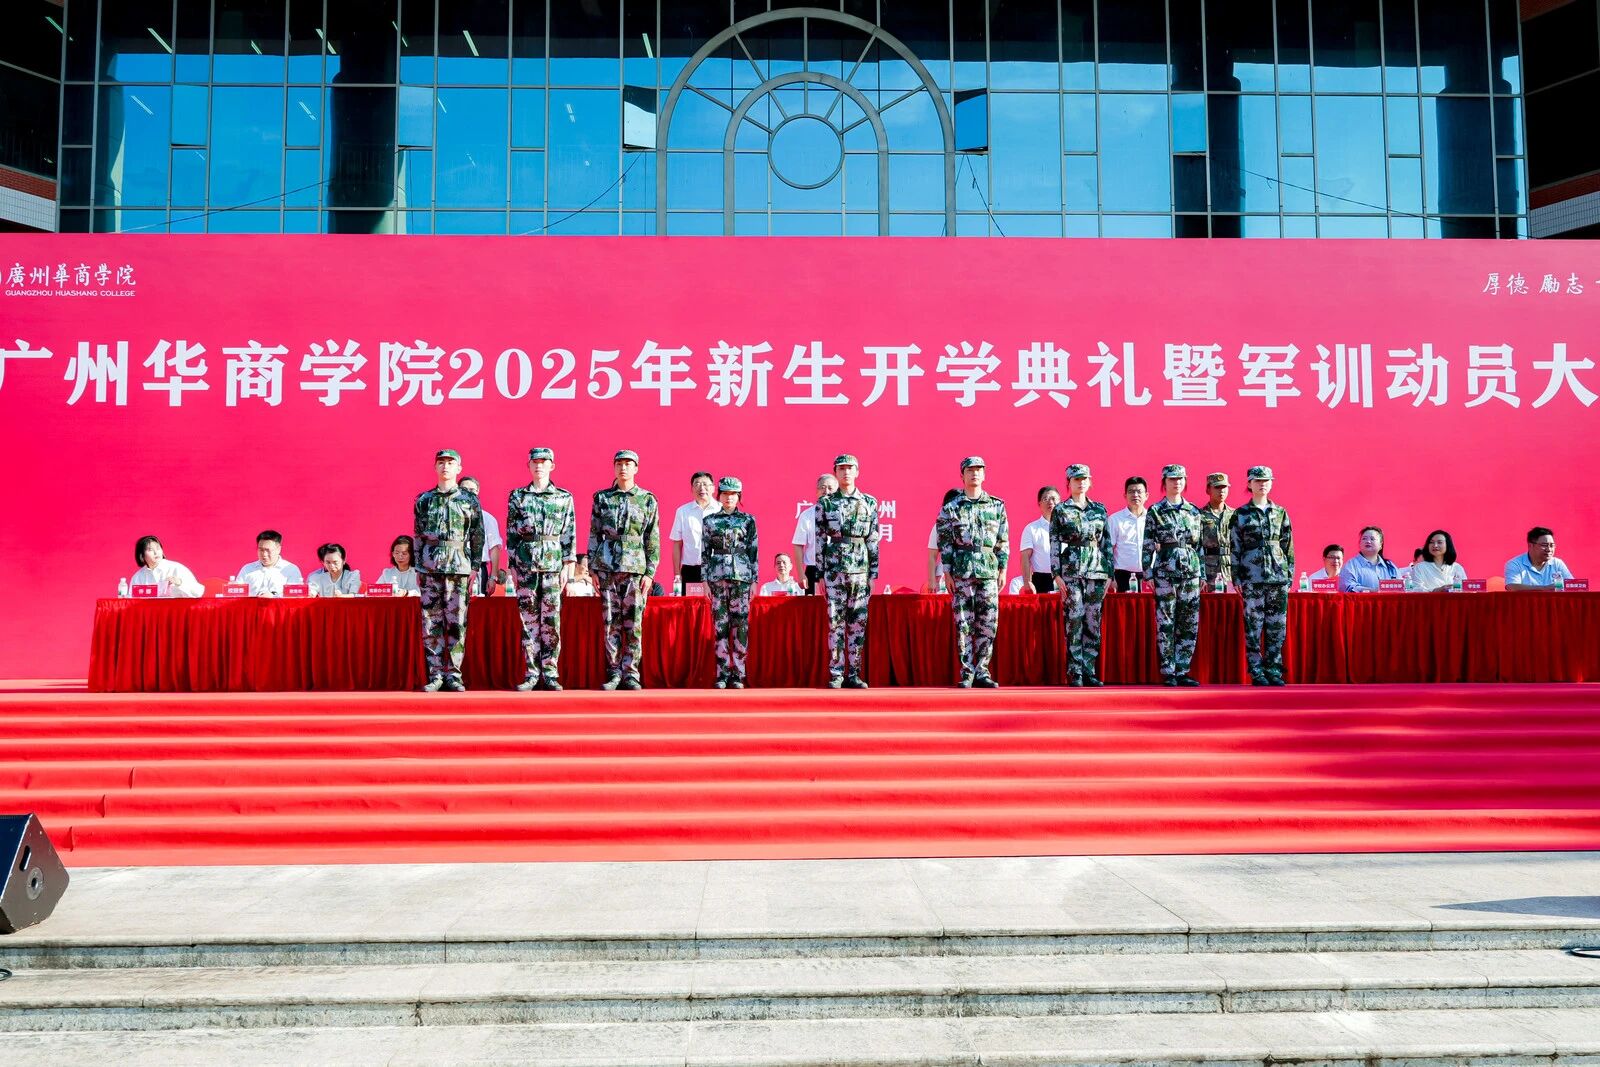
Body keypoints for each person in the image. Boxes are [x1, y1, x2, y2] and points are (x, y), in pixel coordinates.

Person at [506, 446, 577, 691]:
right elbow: (512, 534)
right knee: (528, 621)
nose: (539, 465)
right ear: (529, 465)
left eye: (544, 461)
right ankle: (531, 673)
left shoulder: (563, 497)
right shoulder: (518, 496)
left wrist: (568, 566)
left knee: (551, 620)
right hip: (525, 564)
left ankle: (550, 672)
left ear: (552, 466)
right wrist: (513, 566)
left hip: (553, 565)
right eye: (535, 462)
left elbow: (569, 534)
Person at [414, 448, 485, 692]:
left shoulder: (469, 499)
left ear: (459, 468)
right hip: (430, 567)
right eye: (441, 462)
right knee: (431, 623)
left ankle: (454, 674)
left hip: (459, 566)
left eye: (450, 463)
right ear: (435, 467)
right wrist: (418, 566)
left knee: (457, 622)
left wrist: (474, 566)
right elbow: (418, 535)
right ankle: (435, 675)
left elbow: (477, 535)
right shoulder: (424, 500)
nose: (445, 466)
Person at [588, 449, 660, 690]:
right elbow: (594, 534)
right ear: (614, 467)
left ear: (636, 468)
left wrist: (650, 572)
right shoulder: (602, 498)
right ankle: (614, 672)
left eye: (628, 464)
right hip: (606, 567)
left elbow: (652, 538)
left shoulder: (647, 499)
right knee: (611, 621)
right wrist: (592, 568)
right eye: (619, 463)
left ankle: (631, 673)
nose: (623, 468)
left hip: (635, 568)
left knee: (633, 623)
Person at [936, 457, 1009, 688]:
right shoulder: (951, 508)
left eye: (979, 470)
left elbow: (1002, 540)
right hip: (962, 570)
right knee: (964, 622)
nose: (974, 474)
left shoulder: (997, 505)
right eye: (970, 470)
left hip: (988, 570)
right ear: (962, 475)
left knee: (988, 623)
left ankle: (982, 672)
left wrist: (1003, 568)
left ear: (984, 475)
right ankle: (967, 672)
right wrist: (947, 572)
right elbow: (945, 543)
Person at [815, 453, 880, 688]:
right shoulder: (826, 503)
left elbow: (873, 540)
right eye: (841, 468)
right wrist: (820, 574)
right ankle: (836, 674)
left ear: (857, 472)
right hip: (834, 571)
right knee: (835, 623)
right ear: (835, 473)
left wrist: (873, 574)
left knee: (857, 623)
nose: (846, 472)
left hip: (860, 571)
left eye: (850, 468)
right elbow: (820, 540)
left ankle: (853, 673)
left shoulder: (869, 502)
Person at [1229, 466, 1294, 686]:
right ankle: (1257, 672)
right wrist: (1236, 577)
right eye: (1257, 481)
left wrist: (1289, 574)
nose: (1262, 484)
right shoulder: (1241, 514)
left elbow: (1288, 545)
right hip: (1252, 577)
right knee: (1253, 626)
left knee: (1277, 627)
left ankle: (1274, 670)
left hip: (1277, 577)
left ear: (1271, 483)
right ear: (1249, 484)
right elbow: (1234, 547)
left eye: (1266, 480)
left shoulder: (1280, 512)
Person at [1142, 465, 1204, 686]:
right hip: (1165, 573)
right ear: (1164, 482)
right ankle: (1169, 670)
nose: (1176, 482)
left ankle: (1183, 670)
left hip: (1190, 573)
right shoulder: (1156, 511)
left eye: (1180, 479)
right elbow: (1147, 544)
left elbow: (1200, 546)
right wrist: (1148, 573)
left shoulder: (1193, 511)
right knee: (1166, 621)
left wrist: (1202, 573)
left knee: (1189, 622)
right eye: (1172, 479)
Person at [1050, 464, 1111, 687]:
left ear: (1090, 481)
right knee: (1074, 620)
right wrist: (1056, 573)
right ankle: (1075, 672)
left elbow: (1106, 543)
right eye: (1076, 479)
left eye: (1085, 479)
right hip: (1071, 572)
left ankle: (1089, 670)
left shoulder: (1099, 509)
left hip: (1097, 571)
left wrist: (1110, 573)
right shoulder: (1061, 510)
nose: (1081, 482)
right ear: (1069, 483)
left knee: (1093, 622)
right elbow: (1054, 543)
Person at [703, 476, 759, 688]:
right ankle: (722, 673)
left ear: (739, 496)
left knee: (740, 625)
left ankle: (738, 673)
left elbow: (753, 551)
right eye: (725, 494)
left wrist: (754, 580)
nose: (729, 498)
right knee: (721, 626)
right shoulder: (709, 521)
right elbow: (704, 553)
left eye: (733, 494)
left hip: (742, 577)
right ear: (719, 496)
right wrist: (705, 581)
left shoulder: (748, 520)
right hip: (717, 577)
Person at [791, 473, 837, 596]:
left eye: (830, 488)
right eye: (822, 487)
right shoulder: (807, 515)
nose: (826, 491)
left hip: (838, 569)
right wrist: (801, 573)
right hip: (814, 569)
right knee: (814, 607)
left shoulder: (843, 514)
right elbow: (798, 544)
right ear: (817, 491)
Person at [670, 471, 718, 587]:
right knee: (690, 599)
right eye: (697, 484)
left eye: (705, 484)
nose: (701, 488)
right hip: (691, 571)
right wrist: (677, 574)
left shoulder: (721, 510)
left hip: (717, 569)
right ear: (692, 489)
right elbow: (677, 544)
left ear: (713, 488)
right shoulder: (683, 511)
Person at [458, 476, 503, 597]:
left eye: (472, 490)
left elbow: (494, 548)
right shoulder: (450, 515)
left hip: (477, 569)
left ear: (478, 492)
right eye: (464, 489)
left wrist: (493, 577)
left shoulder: (487, 518)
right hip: (455, 568)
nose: (468, 493)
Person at [1107, 477, 1149, 592]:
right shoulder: (1115, 519)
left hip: (1149, 577)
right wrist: (1111, 577)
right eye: (1131, 491)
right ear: (1125, 495)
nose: (1135, 495)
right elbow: (1108, 551)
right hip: (1122, 577)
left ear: (1146, 495)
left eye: (1139, 491)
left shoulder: (1153, 519)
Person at [129, 535, 204, 598]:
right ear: (141, 556)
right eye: (150, 550)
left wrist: (180, 583)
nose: (156, 552)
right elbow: (131, 600)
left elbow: (198, 592)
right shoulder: (138, 577)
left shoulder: (176, 568)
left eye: (158, 548)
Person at [1018, 486, 1061, 594]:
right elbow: (1025, 557)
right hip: (1041, 580)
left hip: (1065, 580)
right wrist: (1027, 582)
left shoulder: (1067, 528)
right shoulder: (1031, 529)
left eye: (1054, 498)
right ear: (1039, 504)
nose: (1050, 502)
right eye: (1046, 499)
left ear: (1060, 502)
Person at [236, 530, 303, 597]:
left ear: (278, 549)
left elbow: (295, 596)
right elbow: (236, 594)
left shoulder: (291, 570)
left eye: (268, 550)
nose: (264, 554)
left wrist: (274, 596)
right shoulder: (247, 569)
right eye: (261, 550)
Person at [1198, 472, 1235, 591]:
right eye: (1217, 487)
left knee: (1231, 602)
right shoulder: (1199, 515)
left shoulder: (1235, 515)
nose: (1222, 491)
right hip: (1208, 570)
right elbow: (1196, 546)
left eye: (1224, 487)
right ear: (1208, 490)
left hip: (1230, 570)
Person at [1505, 527, 1574, 589]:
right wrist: (1545, 588)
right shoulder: (1515, 564)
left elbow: (1572, 585)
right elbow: (1512, 587)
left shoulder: (1557, 563)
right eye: (1544, 545)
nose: (1549, 549)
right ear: (1530, 545)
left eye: (1552, 545)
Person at [1338, 526, 1399, 591]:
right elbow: (1348, 587)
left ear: (1381, 545)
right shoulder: (1351, 565)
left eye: (1372, 539)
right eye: (1364, 538)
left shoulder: (1390, 566)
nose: (1368, 541)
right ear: (1359, 543)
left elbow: (1401, 587)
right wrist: (1373, 591)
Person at [925, 488, 960, 591]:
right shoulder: (939, 526)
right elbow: (932, 556)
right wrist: (931, 581)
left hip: (966, 573)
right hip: (944, 577)